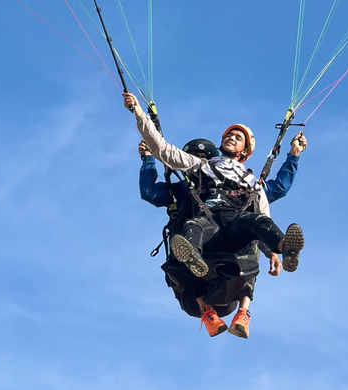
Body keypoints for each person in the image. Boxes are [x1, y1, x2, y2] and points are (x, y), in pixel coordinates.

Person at [125, 92, 306, 338]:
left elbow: (264, 209)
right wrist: (138, 113)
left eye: (238, 137)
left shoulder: (252, 181)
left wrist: (272, 252)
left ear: (245, 151)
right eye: (229, 135)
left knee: (257, 221)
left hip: (235, 223)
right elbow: (162, 149)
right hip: (208, 220)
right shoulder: (199, 168)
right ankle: (194, 260)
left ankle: (287, 247)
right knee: (193, 225)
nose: (232, 137)